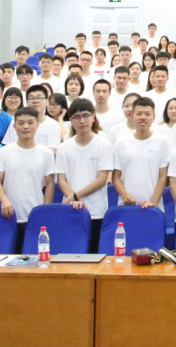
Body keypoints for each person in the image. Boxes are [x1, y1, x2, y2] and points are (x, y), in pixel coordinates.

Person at [0, 107, 56, 250]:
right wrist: (4, 200)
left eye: (30, 122)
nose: (26, 126)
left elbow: (50, 184)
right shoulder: (4, 152)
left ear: (37, 125)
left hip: (35, 215)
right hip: (9, 214)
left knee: (34, 256)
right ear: (14, 126)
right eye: (21, 123)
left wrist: (45, 210)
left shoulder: (46, 153)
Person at [55, 99, 113, 252]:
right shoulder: (64, 147)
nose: (82, 121)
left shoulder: (103, 145)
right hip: (70, 209)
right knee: (71, 254)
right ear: (71, 120)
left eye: (86, 115)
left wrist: (75, 197)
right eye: (77, 117)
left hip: (96, 211)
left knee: (94, 254)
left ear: (93, 117)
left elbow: (101, 180)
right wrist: (73, 200)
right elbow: (62, 179)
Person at [111, 97, 171, 211]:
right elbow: (116, 177)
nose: (143, 117)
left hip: (153, 207)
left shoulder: (163, 142)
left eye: (147, 114)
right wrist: (125, 196)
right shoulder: (121, 143)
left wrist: (153, 202)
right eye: (139, 114)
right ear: (132, 116)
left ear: (153, 117)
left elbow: (163, 176)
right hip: (126, 206)